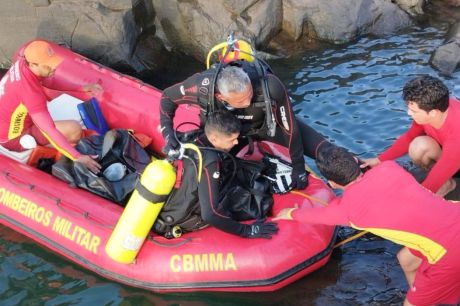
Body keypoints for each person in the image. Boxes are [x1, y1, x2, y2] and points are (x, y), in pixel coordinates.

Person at [275, 145, 460, 306]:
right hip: (454, 215)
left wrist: (289, 213)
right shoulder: (388, 167)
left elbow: (316, 215)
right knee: (406, 259)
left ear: (331, 183)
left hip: (449, 251)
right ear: (357, 161)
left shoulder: (347, 210)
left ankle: (424, 297)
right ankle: (427, 295)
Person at [159, 40, 329, 191]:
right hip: (229, 136)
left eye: (249, 96)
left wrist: (298, 168)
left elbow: (289, 128)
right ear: (221, 97)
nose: (247, 103)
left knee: (327, 152)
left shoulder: (270, 86)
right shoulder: (202, 88)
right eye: (240, 101)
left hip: (266, 127)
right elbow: (167, 97)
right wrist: (168, 134)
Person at [157, 110, 278, 239]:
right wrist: (248, 230)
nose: (236, 142)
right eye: (232, 139)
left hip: (169, 206)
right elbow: (210, 214)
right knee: (254, 200)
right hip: (183, 219)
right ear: (214, 138)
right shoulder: (210, 162)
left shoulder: (192, 139)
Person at [0, 40, 101, 173]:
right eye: (48, 66)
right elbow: (48, 129)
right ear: (33, 64)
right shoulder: (31, 94)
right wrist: (77, 157)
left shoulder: (22, 64)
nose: (53, 68)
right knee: (74, 129)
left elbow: (46, 82)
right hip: (14, 139)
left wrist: (81, 88)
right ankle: (52, 154)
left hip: (9, 121)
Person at [361, 75, 460, 196]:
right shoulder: (434, 107)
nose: (409, 113)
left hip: (454, 158)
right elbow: (410, 136)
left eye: (414, 111)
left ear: (433, 113)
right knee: (418, 146)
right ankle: (446, 183)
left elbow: (445, 166)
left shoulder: (456, 134)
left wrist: (418, 196)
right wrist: (378, 160)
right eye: (409, 108)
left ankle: (449, 186)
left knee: (422, 198)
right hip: (450, 157)